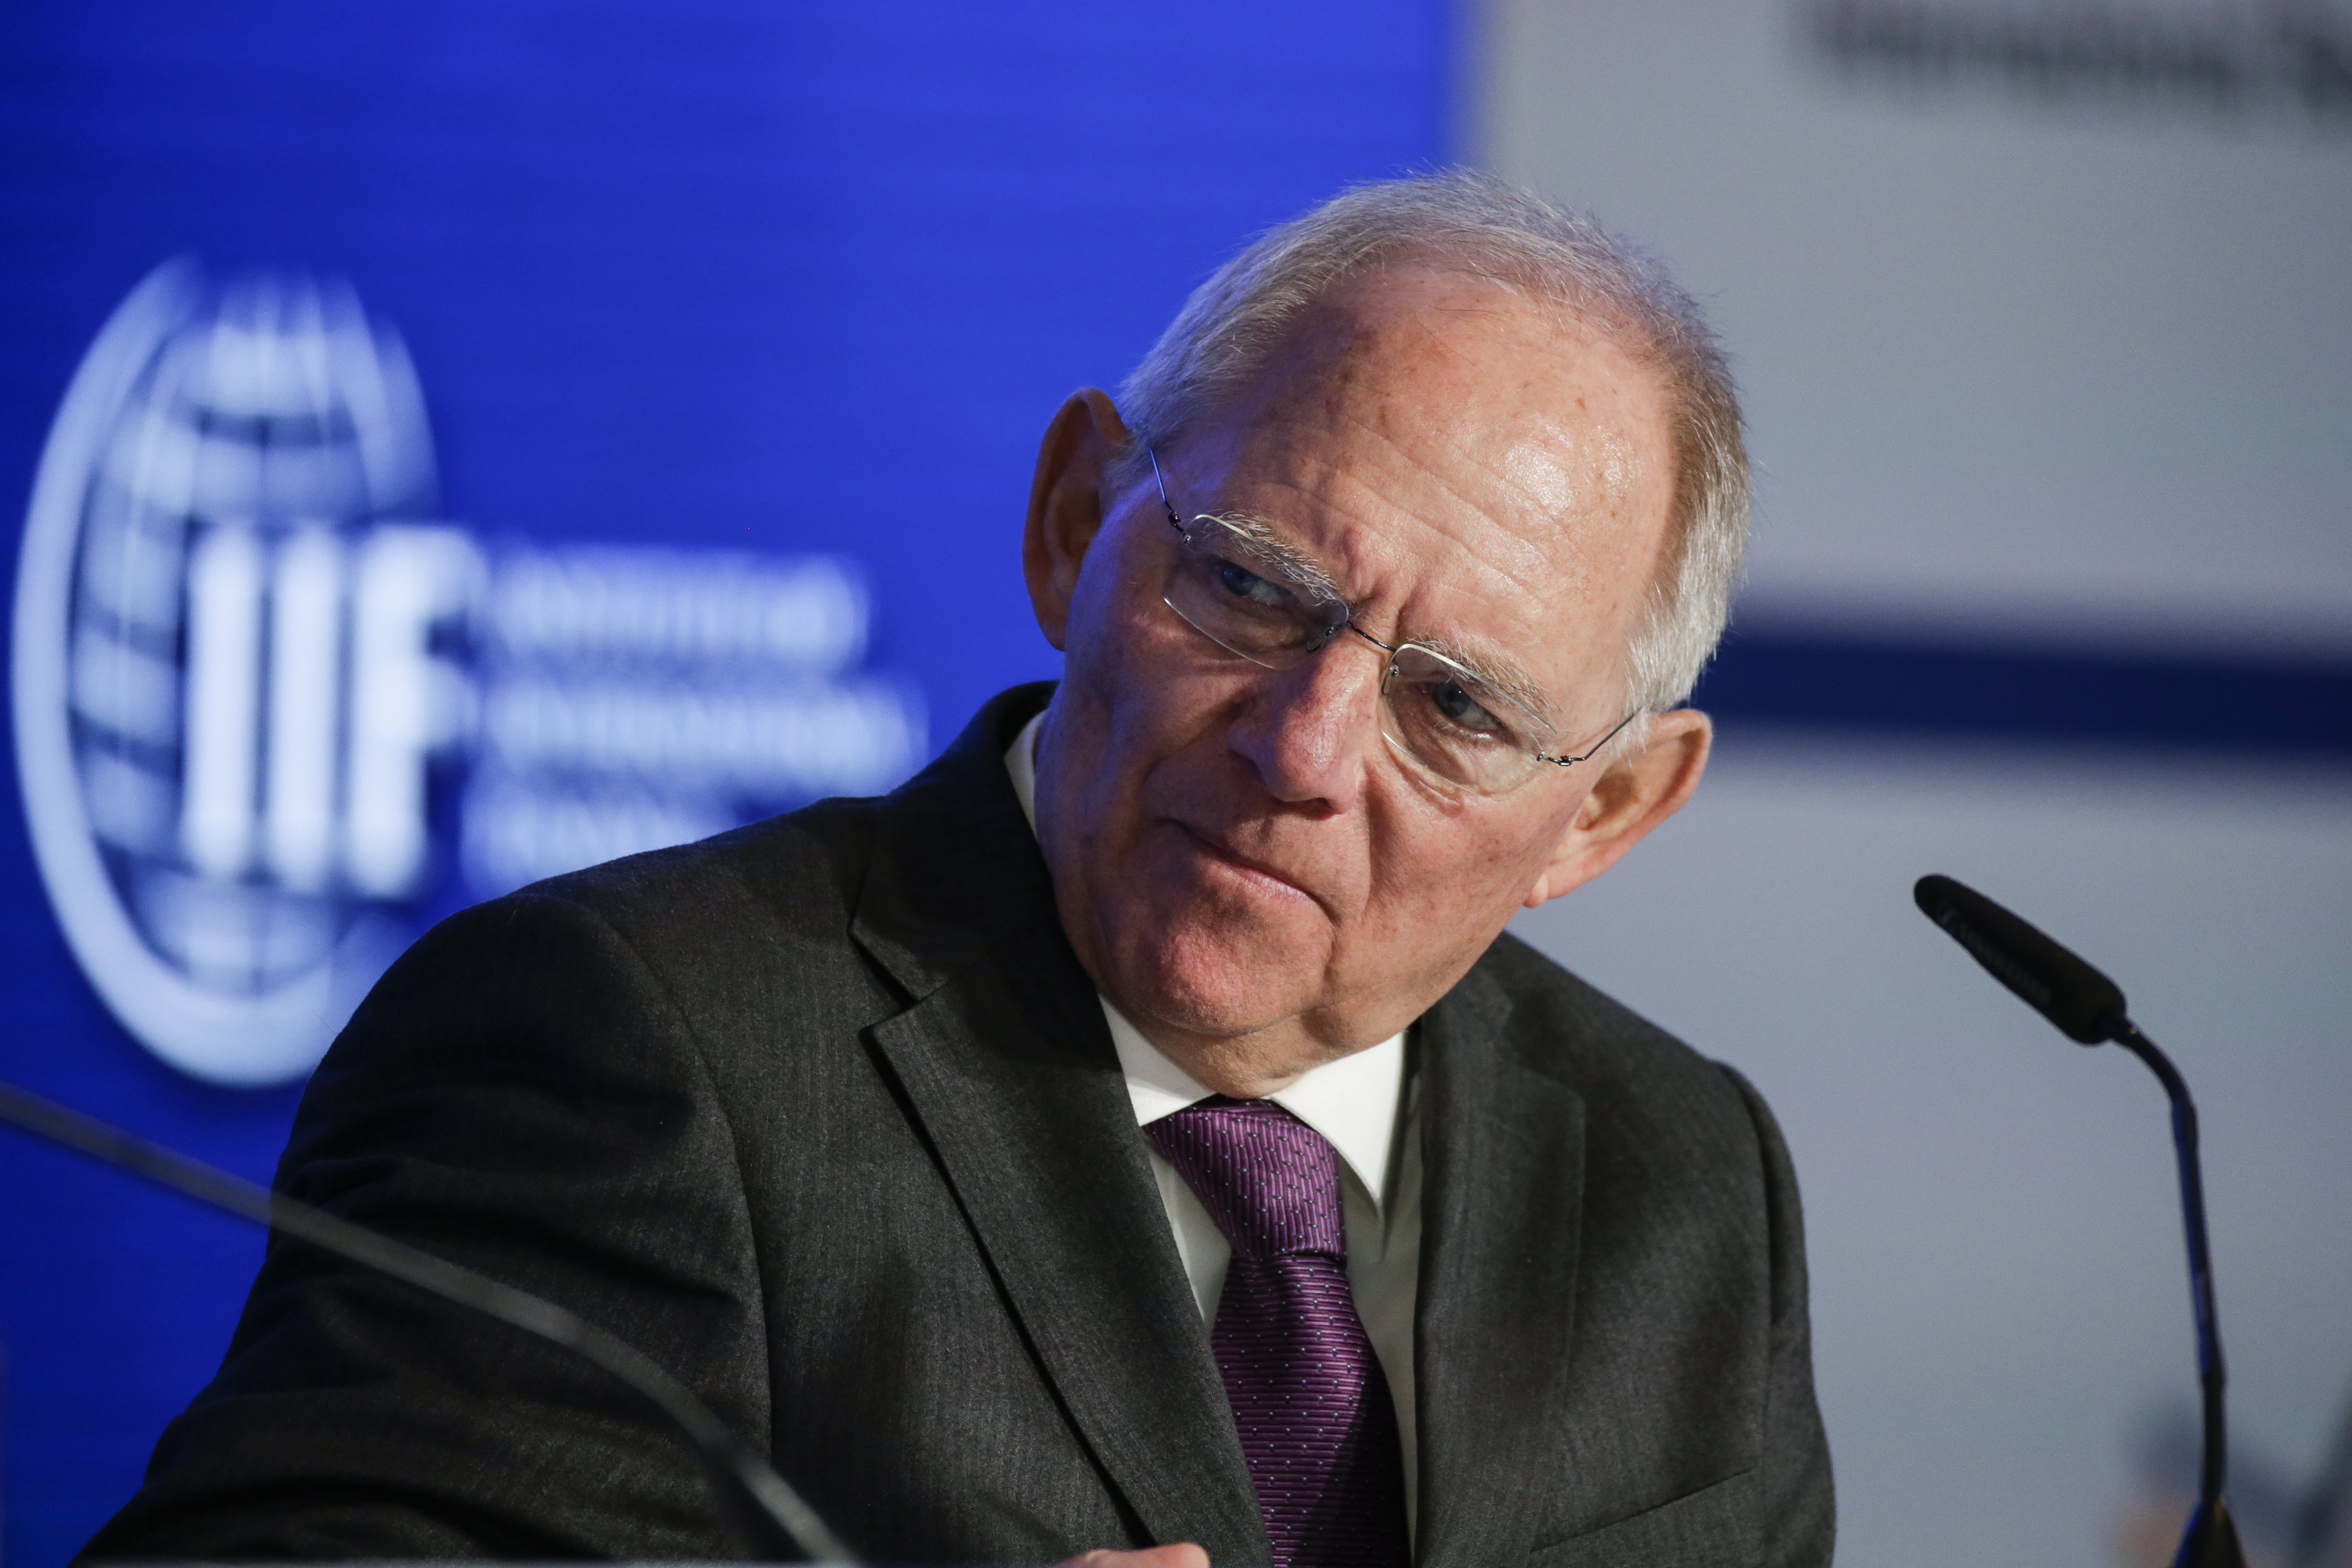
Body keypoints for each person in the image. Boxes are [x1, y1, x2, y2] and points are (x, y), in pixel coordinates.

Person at [85, 171, 1833, 1567]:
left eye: (1455, 707)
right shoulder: (630, 1046)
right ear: (1076, 522)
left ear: (1606, 813)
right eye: (1252, 588)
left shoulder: (1684, 1183)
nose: (1304, 752)